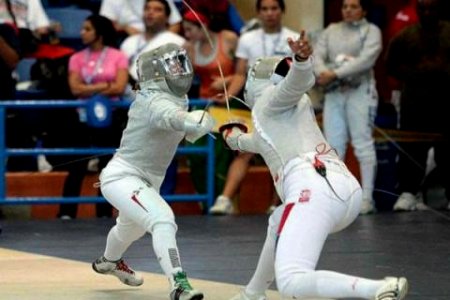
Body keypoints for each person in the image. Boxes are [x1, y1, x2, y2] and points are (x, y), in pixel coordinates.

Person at [223, 30, 408, 300]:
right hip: (345, 190)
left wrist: (302, 61)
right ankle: (253, 293)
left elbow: (297, 82)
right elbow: (263, 143)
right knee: (278, 221)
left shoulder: (271, 100)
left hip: (313, 188)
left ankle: (379, 289)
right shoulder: (285, 112)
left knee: (292, 281)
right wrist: (235, 138)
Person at [92, 43, 213, 300]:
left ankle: (109, 261)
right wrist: (190, 119)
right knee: (162, 220)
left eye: (181, 63)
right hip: (122, 176)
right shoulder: (150, 99)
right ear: (155, 72)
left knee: (129, 230)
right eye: (173, 65)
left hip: (149, 179)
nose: (179, 70)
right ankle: (179, 284)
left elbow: (184, 130)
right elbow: (167, 116)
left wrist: (210, 127)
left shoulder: (180, 98)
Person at [209, 0, 296, 215]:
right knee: (245, 151)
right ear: (258, 13)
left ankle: (278, 204)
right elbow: (240, 73)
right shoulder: (247, 39)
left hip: (282, 105)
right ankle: (225, 199)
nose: (269, 13)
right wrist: (229, 96)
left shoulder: (293, 38)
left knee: (280, 154)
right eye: (264, 9)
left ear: (282, 11)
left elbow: (297, 73)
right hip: (253, 105)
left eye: (274, 8)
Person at [56, 14, 129, 219]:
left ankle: (104, 212)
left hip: (111, 117)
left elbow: (120, 86)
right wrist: (105, 86)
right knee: (77, 165)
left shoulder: (117, 55)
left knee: (107, 167)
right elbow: (74, 87)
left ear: (99, 33)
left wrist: (89, 88)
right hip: (82, 118)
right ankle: (66, 212)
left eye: (87, 29)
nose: (82, 33)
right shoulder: (76, 58)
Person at [313, 0, 382, 215]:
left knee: (362, 143)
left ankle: (367, 198)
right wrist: (324, 73)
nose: (348, 10)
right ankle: (336, 198)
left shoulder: (371, 31)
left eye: (354, 6)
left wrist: (335, 73)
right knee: (333, 147)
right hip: (334, 93)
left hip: (361, 92)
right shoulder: (331, 30)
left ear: (364, 9)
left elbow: (366, 60)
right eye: (345, 6)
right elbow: (317, 56)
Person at [385, 0, 450, 211]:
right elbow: (390, 64)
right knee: (412, 148)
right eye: (423, 8)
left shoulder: (449, 32)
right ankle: (408, 192)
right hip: (415, 102)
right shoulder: (406, 36)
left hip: (445, 102)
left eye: (432, 8)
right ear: (418, 10)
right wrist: (414, 76)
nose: (428, 12)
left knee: (447, 151)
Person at [182, 10, 239, 202]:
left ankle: (220, 199)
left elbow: (243, 71)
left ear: (203, 26)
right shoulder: (189, 47)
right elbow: (185, 80)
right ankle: (204, 198)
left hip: (227, 103)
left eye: (190, 30)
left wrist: (227, 80)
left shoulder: (229, 39)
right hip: (202, 104)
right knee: (195, 152)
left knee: (220, 155)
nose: (187, 34)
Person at [99, 0, 182, 38]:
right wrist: (125, 28)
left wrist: (163, 39)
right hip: (126, 37)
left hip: (160, 36)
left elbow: (175, 23)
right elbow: (104, 24)